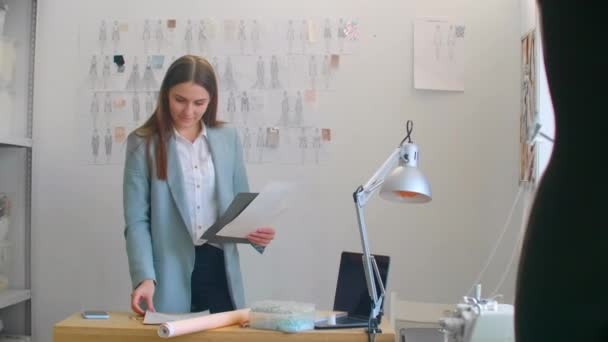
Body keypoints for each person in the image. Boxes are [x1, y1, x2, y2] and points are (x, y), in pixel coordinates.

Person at [123, 55, 275, 315]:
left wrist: (254, 233)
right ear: (165, 95)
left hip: (218, 265)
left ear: (211, 100)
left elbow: (241, 204)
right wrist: (144, 277)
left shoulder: (228, 138)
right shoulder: (142, 143)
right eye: (179, 100)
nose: (188, 111)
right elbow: (137, 221)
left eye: (199, 102)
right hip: (168, 270)